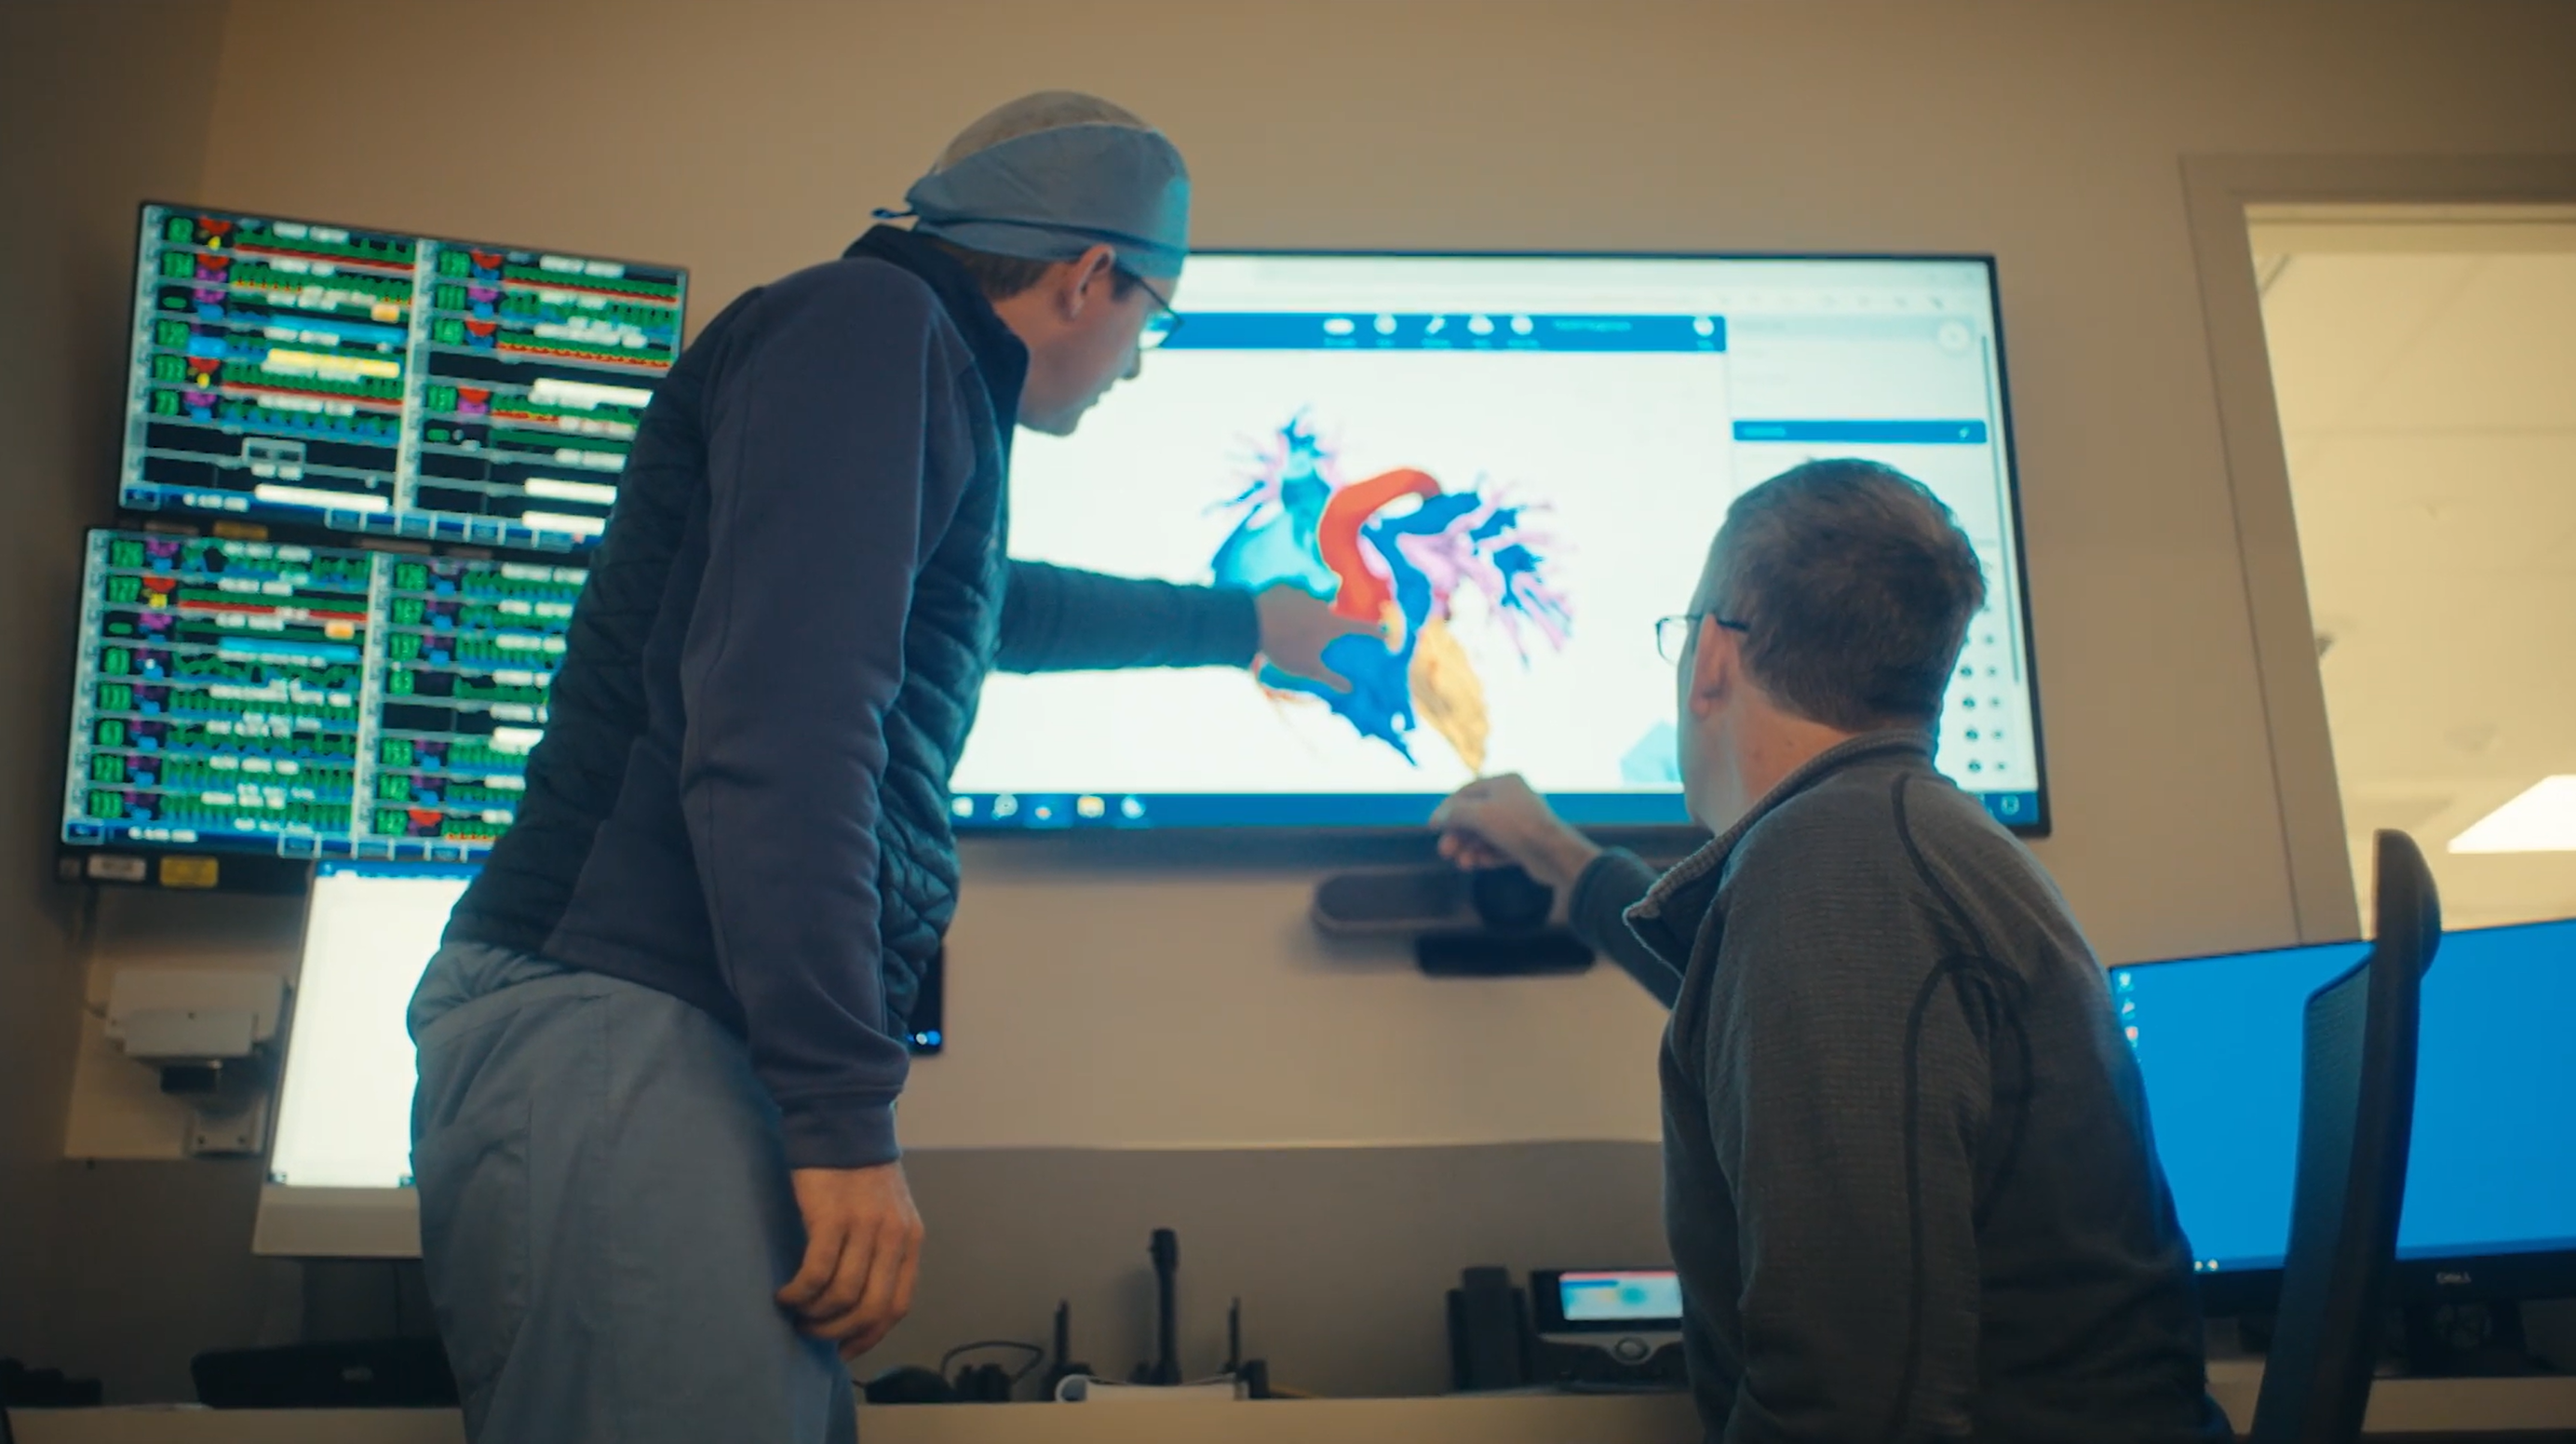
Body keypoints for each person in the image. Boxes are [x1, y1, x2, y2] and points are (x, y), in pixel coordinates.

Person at [407, 93, 1370, 1444]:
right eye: (1152, 314)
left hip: (669, 1022)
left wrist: (1243, 626)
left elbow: (982, 603)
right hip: (623, 1012)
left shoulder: (899, 364)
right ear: (1089, 275)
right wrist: (845, 1112)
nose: (1138, 359)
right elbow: (779, 733)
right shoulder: (867, 332)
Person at [1434, 459, 2232, 1442]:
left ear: (1716, 657)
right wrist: (1564, 860)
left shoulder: (1832, 866)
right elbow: (1776, 1017)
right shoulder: (1896, 843)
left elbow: (1854, 1404)